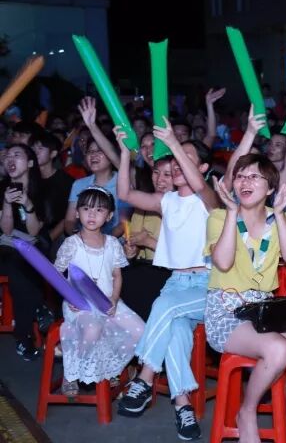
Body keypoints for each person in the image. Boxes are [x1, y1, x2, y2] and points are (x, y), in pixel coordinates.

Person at [206, 153, 286, 442]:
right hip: (226, 311)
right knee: (278, 350)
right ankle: (247, 411)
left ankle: (285, 398)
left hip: (264, 312)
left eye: (254, 176)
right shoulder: (219, 217)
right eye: (240, 176)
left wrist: (282, 213)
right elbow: (222, 262)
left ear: (270, 187)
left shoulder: (279, 219)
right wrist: (232, 213)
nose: (244, 182)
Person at [116, 121, 218, 440]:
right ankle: (183, 406)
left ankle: (145, 376)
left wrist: (174, 143)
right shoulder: (167, 201)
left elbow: (200, 186)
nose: (175, 165)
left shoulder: (209, 199)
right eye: (173, 160)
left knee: (164, 305)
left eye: (184, 159)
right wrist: (124, 153)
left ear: (202, 168)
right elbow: (124, 193)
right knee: (175, 330)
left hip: (209, 285)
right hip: (176, 285)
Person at [53, 187, 144, 396]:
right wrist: (70, 297)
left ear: (109, 216)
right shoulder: (71, 243)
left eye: (99, 210)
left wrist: (114, 299)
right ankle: (71, 372)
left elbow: (117, 275)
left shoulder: (112, 244)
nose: (92, 214)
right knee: (92, 329)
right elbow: (56, 275)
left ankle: (110, 367)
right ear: (77, 213)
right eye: (86, 209)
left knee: (140, 331)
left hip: (108, 302)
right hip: (80, 304)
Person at [0, 143, 54, 360]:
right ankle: (36, 312)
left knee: (24, 267)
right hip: (6, 248)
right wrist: (6, 203)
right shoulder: (2, 188)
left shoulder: (43, 190)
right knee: (17, 266)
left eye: (17, 155)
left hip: (32, 248)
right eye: (7, 156)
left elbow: (34, 231)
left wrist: (28, 204)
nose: (10, 159)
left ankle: (24, 336)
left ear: (30, 163)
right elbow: (6, 230)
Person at [120, 156, 174, 320]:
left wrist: (148, 241)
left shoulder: (182, 207)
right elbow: (133, 243)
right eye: (156, 172)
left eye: (167, 174)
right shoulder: (143, 204)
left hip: (167, 273)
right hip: (140, 268)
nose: (159, 179)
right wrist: (131, 250)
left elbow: (180, 257)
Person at [30, 132, 74, 244]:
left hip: (55, 235)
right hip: (31, 231)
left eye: (40, 148)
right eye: (33, 148)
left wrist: (48, 239)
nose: (35, 152)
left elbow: (69, 216)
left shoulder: (66, 181)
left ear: (53, 153)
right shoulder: (29, 178)